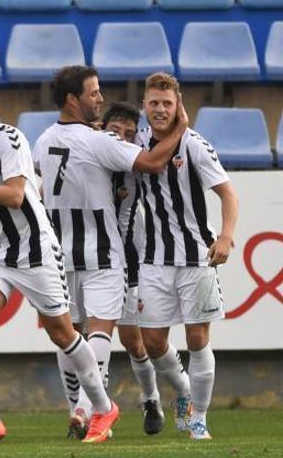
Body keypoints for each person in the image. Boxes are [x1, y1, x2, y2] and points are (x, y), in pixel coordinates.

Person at [0, 83, 119, 444]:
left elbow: (15, 196)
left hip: (36, 249)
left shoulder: (9, 139)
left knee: (62, 334)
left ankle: (103, 408)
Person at [33, 66, 185, 439]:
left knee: (83, 336)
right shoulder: (99, 142)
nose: (99, 98)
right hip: (101, 252)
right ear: (73, 99)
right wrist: (180, 127)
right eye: (94, 93)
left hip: (72, 254)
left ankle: (93, 408)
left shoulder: (43, 139)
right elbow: (151, 162)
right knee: (94, 332)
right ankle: (90, 410)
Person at [136, 72, 239, 440]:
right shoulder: (137, 141)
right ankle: (183, 391)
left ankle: (199, 418)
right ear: (144, 106)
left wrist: (225, 236)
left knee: (197, 338)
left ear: (178, 105)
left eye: (167, 103)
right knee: (152, 341)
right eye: (154, 103)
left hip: (196, 256)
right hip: (153, 259)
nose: (160, 109)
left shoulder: (194, 144)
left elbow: (228, 193)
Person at [101, 101, 187, 436]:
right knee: (87, 337)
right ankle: (88, 411)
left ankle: (154, 397)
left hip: (128, 260)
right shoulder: (87, 157)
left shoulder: (137, 163)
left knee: (135, 342)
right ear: (101, 131)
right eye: (114, 132)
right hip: (87, 257)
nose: (121, 139)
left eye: (128, 133)